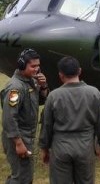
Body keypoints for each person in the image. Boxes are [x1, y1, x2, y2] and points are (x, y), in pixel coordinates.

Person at [39, 56, 100, 184]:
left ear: (60, 75)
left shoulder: (53, 96)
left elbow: (47, 125)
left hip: (60, 148)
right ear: (79, 71)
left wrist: (44, 148)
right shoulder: (94, 93)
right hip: (85, 148)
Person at [1, 48, 49, 184]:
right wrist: (18, 143)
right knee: (21, 178)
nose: (37, 69)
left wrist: (43, 86)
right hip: (18, 137)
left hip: (27, 136)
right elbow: (9, 118)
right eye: (33, 66)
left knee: (24, 176)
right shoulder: (15, 88)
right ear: (22, 65)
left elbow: (39, 101)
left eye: (38, 66)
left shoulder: (31, 82)